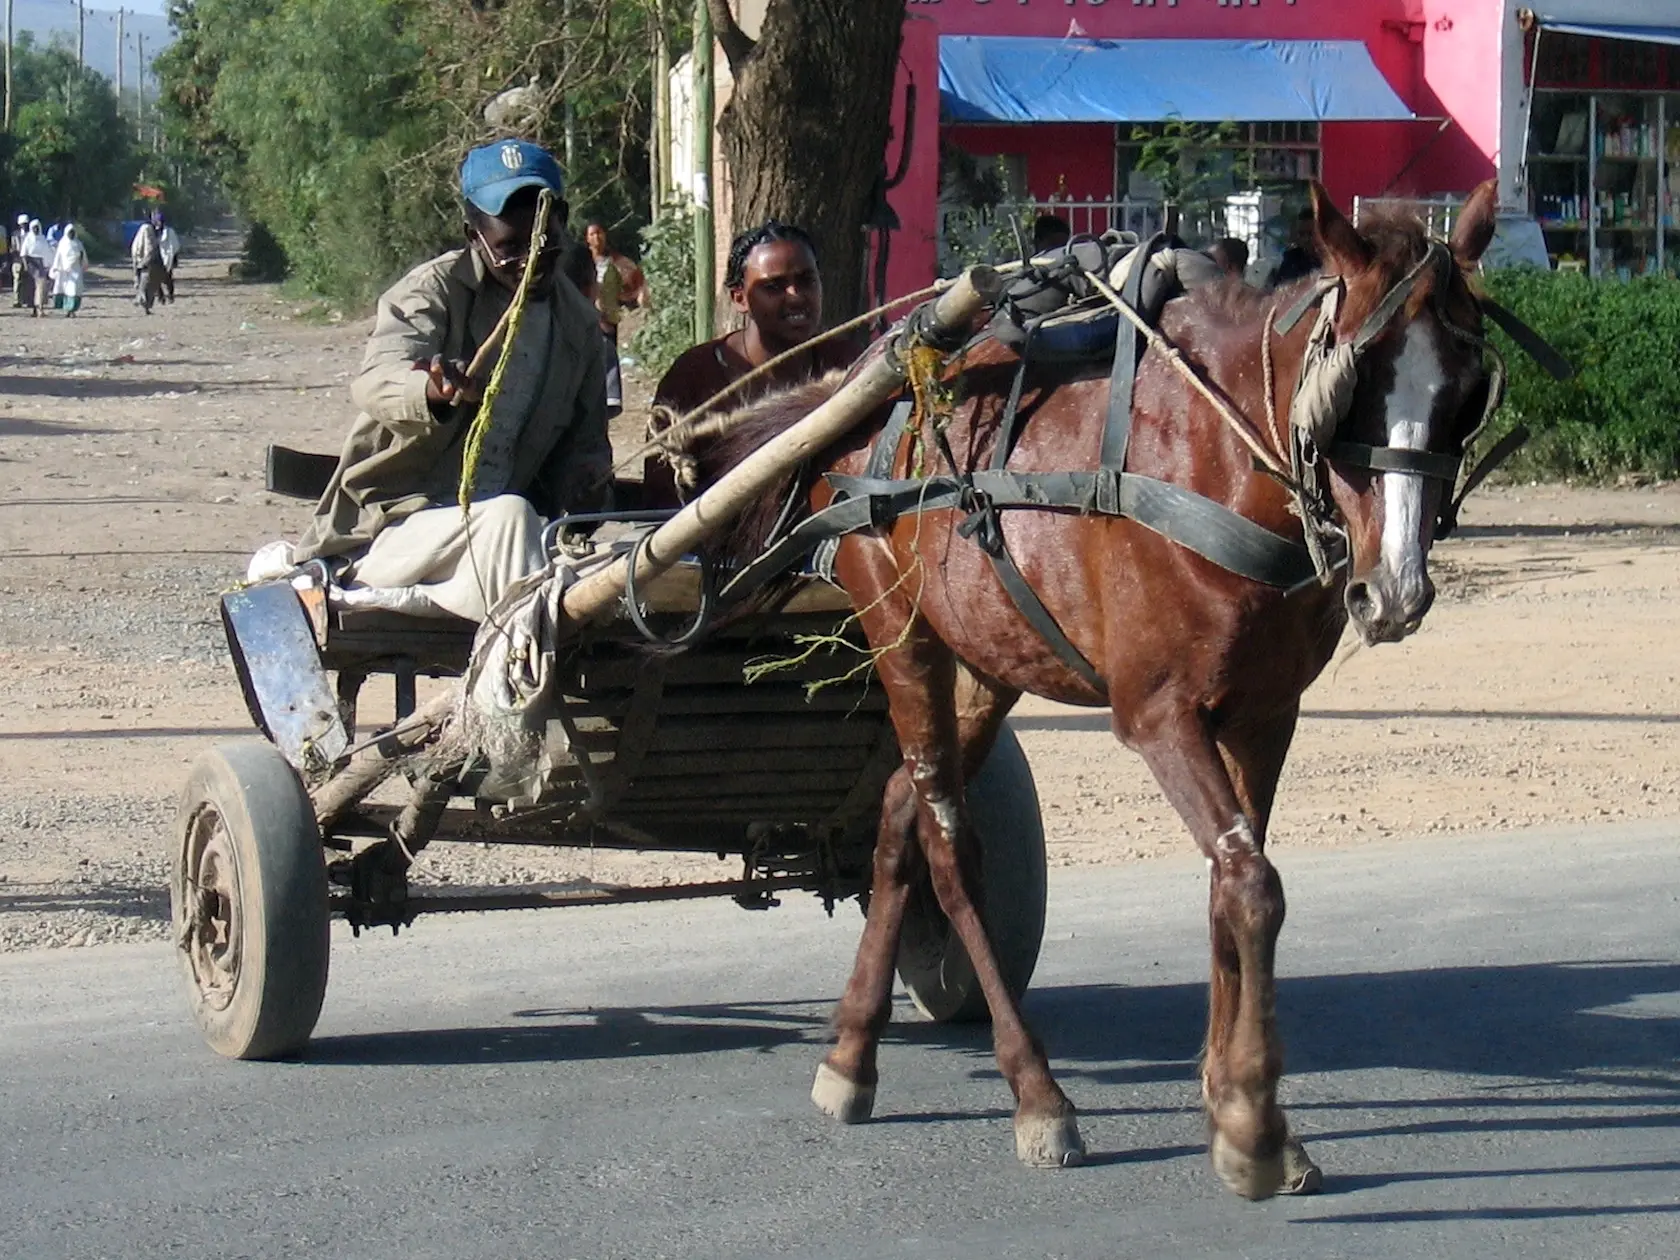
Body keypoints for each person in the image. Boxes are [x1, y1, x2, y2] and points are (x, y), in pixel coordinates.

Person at [288, 139, 610, 623]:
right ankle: (518, 682)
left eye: (542, 244)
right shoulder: (430, 292)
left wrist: (587, 483)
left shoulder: (578, 323)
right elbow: (376, 380)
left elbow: (587, 446)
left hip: (501, 544)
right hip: (393, 532)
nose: (529, 262)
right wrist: (432, 392)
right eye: (509, 249)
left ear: (561, 221)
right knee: (509, 518)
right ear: (472, 235)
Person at [644, 219, 861, 506]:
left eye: (806, 280)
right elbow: (662, 498)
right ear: (739, 299)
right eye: (774, 286)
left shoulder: (848, 365)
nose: (795, 297)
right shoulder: (695, 377)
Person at [583, 222, 626, 415]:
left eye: (600, 233)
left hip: (610, 318)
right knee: (605, 355)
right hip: (589, 318)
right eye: (592, 234)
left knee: (606, 354)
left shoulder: (613, 262)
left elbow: (624, 285)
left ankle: (603, 399)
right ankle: (610, 398)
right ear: (587, 238)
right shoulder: (582, 262)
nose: (597, 237)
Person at [1270, 208, 1321, 287]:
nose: (1305, 239)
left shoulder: (1334, 259)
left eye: (1311, 234)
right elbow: (1279, 290)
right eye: (1302, 234)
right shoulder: (1292, 261)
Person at [49, 225, 87, 316]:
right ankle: (67, 309)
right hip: (64, 271)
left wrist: (82, 262)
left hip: (76, 270)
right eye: (70, 232)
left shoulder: (78, 244)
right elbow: (58, 256)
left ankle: (72, 310)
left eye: (73, 232)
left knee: (74, 290)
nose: (71, 234)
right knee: (66, 290)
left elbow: (83, 256)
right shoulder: (63, 243)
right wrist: (56, 268)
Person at [20, 220, 51, 317]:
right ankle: (34, 309)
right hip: (31, 265)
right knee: (31, 289)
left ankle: (40, 308)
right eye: (34, 227)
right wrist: (25, 266)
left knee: (41, 288)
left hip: (40, 265)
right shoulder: (28, 239)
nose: (36, 229)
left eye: (37, 227)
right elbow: (23, 254)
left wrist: (47, 266)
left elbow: (47, 253)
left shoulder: (42, 239)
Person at [158, 216, 182, 303]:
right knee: (155, 278)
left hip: (168, 257)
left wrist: (173, 258)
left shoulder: (169, 232)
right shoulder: (153, 232)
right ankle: (160, 297)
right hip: (157, 258)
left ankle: (170, 295)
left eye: (159, 222)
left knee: (168, 278)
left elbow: (175, 245)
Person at [9, 214, 29, 308]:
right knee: (17, 280)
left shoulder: (30, 234)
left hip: (29, 260)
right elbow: (12, 247)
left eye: (25, 224)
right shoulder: (15, 234)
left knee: (28, 281)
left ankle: (27, 300)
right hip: (17, 260)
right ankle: (17, 300)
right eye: (22, 224)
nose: (24, 226)